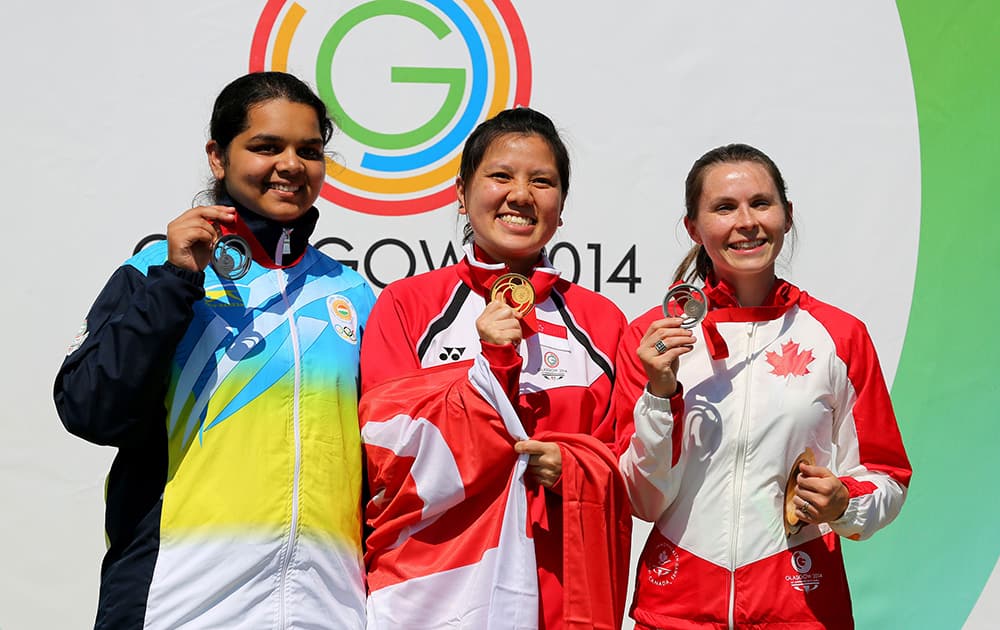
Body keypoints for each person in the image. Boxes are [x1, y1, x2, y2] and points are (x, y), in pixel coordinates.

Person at [53, 72, 374, 630]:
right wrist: (177, 282)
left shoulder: (354, 295)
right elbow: (89, 409)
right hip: (179, 604)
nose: (291, 165)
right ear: (218, 157)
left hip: (326, 608)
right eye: (266, 146)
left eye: (310, 150)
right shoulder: (157, 271)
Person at [613, 143, 912, 629]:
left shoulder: (839, 335)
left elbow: (888, 476)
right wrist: (660, 394)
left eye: (761, 203)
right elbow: (642, 501)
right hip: (675, 610)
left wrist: (844, 502)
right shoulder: (652, 339)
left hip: (801, 608)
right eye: (724, 208)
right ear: (693, 226)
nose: (746, 221)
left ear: (787, 216)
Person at [358, 107, 632, 629]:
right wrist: (491, 367)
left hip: (559, 589)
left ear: (561, 205)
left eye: (542, 181)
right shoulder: (408, 306)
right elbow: (389, 459)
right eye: (501, 176)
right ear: (461, 193)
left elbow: (631, 464)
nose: (521, 195)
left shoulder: (602, 321)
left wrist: (569, 466)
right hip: (436, 590)